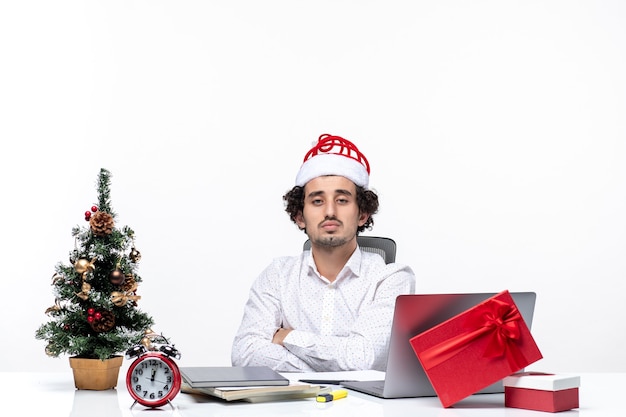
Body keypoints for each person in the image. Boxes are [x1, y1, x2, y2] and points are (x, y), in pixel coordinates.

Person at [231, 134, 415, 372]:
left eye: (342, 200)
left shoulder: (391, 278)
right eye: (317, 201)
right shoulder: (277, 276)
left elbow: (364, 359)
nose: (330, 211)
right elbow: (245, 354)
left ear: (362, 214)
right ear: (299, 217)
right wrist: (321, 375)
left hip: (367, 410)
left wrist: (288, 337)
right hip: (293, 408)